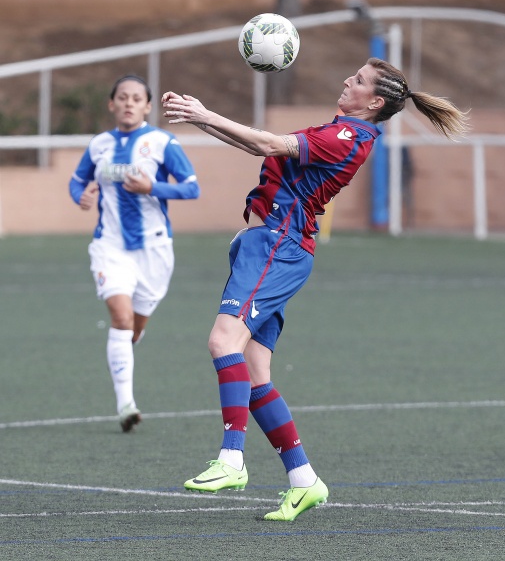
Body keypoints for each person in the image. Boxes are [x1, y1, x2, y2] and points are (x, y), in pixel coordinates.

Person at [161, 57, 468, 521]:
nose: (347, 80)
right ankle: (304, 480)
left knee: (223, 341)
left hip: (277, 246)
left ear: (375, 102)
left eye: (358, 80)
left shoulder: (347, 136)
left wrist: (204, 114)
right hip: (274, 246)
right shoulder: (340, 130)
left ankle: (231, 459)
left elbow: (267, 142)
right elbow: (260, 148)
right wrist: (201, 118)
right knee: (255, 372)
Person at [69, 74, 200, 433]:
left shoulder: (162, 142)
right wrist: (80, 196)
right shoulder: (99, 145)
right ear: (111, 104)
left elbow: (191, 188)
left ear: (147, 106)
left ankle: (128, 344)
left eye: (136, 98)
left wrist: (152, 187)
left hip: (155, 250)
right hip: (109, 245)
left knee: (135, 328)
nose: (129, 103)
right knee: (121, 318)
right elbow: (77, 180)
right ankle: (126, 404)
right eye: (122, 97)